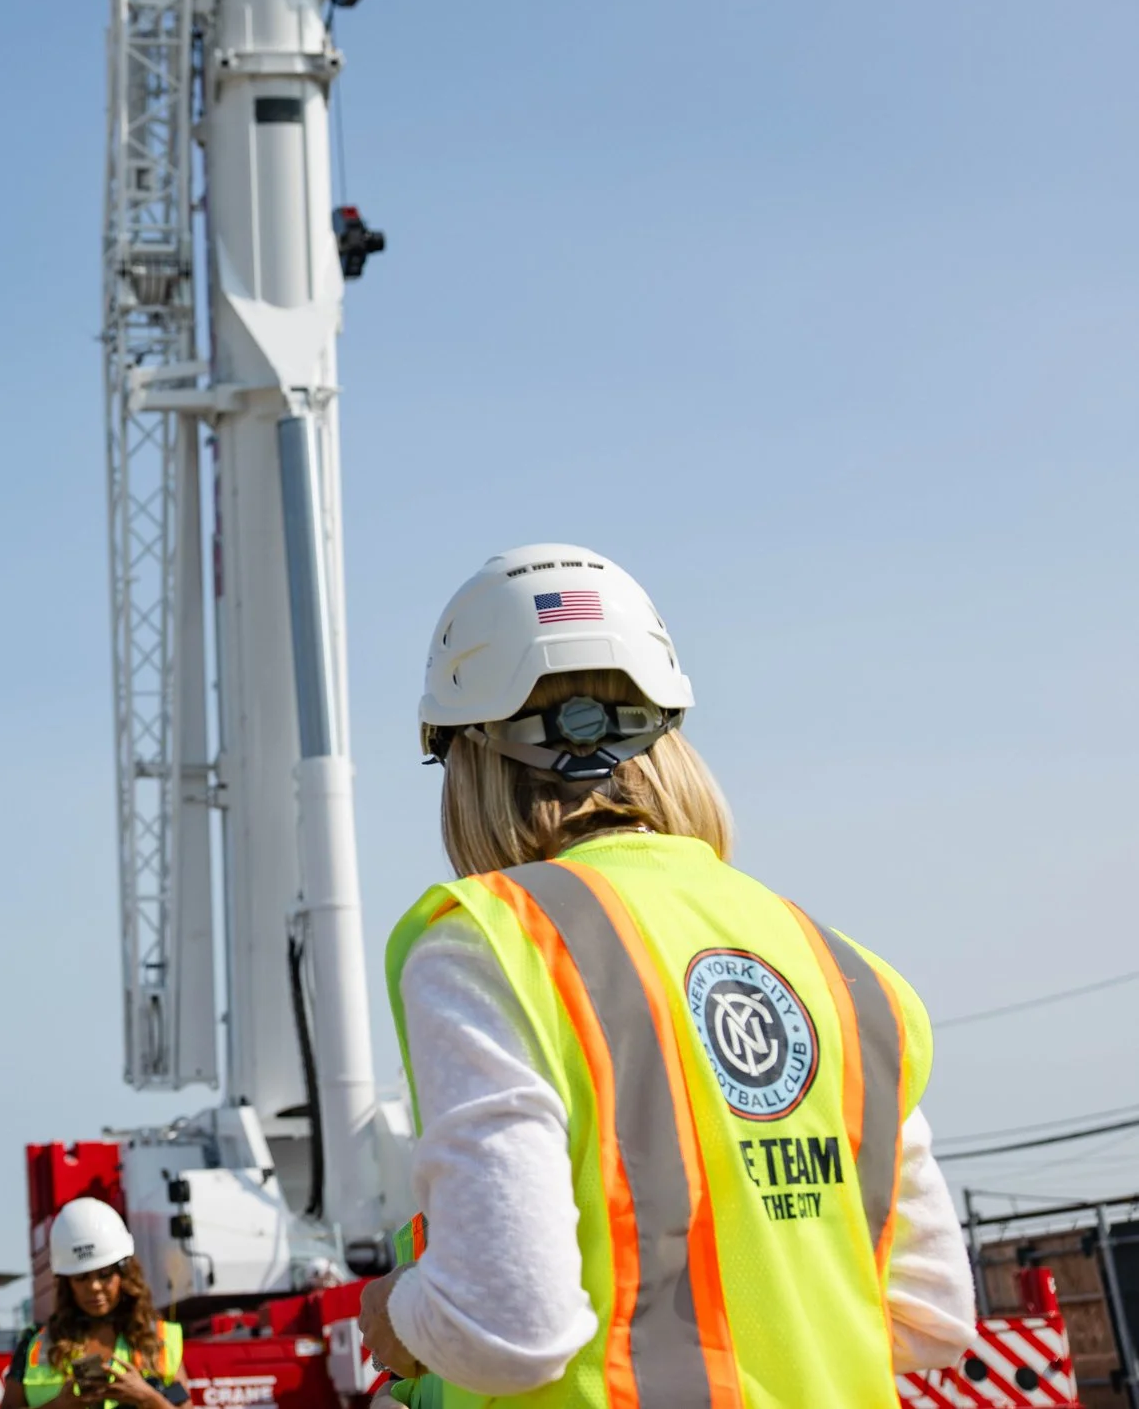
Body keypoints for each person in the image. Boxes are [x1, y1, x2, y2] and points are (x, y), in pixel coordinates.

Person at [357, 544, 975, 1406]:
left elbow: (509, 1327)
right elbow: (929, 1315)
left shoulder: (495, 944)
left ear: (469, 759)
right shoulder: (846, 970)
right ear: (667, 730)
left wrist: (402, 1312)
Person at [10, 1199, 187, 1408]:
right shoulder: (35, 1344)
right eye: (81, 1278)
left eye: (104, 1275)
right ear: (68, 1283)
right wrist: (61, 1404)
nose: (94, 1286)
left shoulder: (159, 1338)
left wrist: (147, 1398)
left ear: (124, 1274)